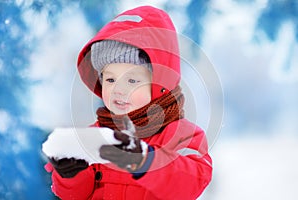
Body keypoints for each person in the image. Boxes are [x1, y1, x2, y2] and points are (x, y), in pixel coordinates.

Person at [45, 5, 212, 199]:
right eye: (110, 80)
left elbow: (191, 183)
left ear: (160, 81)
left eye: (132, 80)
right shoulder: (97, 135)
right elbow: (77, 194)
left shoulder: (181, 135)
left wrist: (143, 160)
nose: (119, 90)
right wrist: (70, 175)